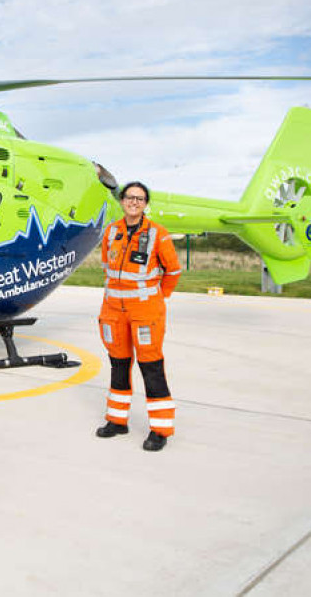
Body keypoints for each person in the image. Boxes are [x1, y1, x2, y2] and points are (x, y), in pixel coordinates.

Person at [95, 181, 182, 451]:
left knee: (151, 368)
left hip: (146, 312)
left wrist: (157, 298)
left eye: (140, 199)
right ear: (122, 201)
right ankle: (117, 420)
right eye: (130, 197)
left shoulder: (158, 233)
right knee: (118, 365)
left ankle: (160, 429)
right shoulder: (111, 231)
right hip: (113, 311)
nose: (134, 202)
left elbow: (173, 271)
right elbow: (107, 266)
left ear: (145, 204)